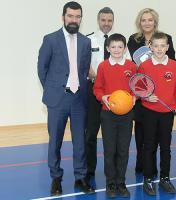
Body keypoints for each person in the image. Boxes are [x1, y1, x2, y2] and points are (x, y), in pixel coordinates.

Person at [37, 1, 94, 196]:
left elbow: (85, 69)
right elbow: (42, 69)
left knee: (80, 141)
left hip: (79, 99)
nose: (74, 20)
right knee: (55, 142)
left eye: (77, 17)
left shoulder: (86, 42)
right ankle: (56, 179)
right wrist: (53, 90)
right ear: (63, 17)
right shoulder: (50, 39)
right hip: (57, 99)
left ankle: (80, 177)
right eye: (70, 16)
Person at [127, 8, 175, 175]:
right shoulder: (133, 40)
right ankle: (143, 164)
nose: (147, 23)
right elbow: (133, 66)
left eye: (150, 20)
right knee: (141, 133)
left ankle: (155, 169)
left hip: (159, 96)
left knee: (159, 137)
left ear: (155, 21)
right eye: (143, 20)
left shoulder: (165, 38)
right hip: (142, 93)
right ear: (139, 22)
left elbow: (172, 63)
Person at [85, 7, 131, 180]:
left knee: (115, 139)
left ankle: (117, 177)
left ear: (113, 21)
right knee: (90, 133)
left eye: (109, 20)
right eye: (103, 20)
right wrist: (96, 77)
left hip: (117, 96)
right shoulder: (89, 39)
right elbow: (83, 62)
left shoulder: (119, 43)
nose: (106, 23)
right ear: (98, 20)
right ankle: (90, 171)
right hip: (94, 91)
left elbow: (129, 68)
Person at [138, 32, 176, 196]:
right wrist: (146, 96)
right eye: (155, 46)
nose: (159, 49)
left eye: (162, 46)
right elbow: (139, 88)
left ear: (167, 47)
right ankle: (148, 179)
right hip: (149, 112)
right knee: (149, 146)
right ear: (150, 47)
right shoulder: (144, 66)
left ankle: (165, 178)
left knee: (166, 148)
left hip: (167, 114)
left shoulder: (174, 65)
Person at [93, 33, 136, 198]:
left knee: (123, 150)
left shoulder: (131, 66)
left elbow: (136, 88)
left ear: (125, 49)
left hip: (126, 115)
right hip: (108, 114)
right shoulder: (103, 66)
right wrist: (102, 97)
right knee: (110, 150)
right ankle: (110, 183)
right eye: (113, 47)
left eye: (120, 47)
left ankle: (121, 182)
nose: (116, 50)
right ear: (107, 48)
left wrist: (134, 97)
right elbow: (97, 88)